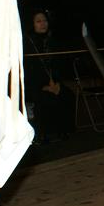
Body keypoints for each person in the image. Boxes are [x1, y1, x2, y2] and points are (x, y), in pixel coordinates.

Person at [24, 10, 72, 143]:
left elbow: (59, 65)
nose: (43, 24)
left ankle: (62, 131)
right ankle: (41, 134)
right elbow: (28, 69)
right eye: (38, 21)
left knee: (66, 94)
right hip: (34, 85)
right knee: (43, 98)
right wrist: (43, 86)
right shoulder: (27, 42)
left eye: (44, 21)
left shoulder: (52, 40)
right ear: (32, 24)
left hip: (53, 82)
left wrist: (57, 83)